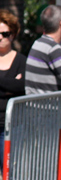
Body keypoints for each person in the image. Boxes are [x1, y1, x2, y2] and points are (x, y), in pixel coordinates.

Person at [0, 9, 26, 147]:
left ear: (13, 35)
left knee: (8, 167)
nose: (0, 38)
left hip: (11, 125)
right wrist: (8, 88)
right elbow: (14, 87)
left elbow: (21, 87)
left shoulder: (21, 61)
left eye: (5, 34)